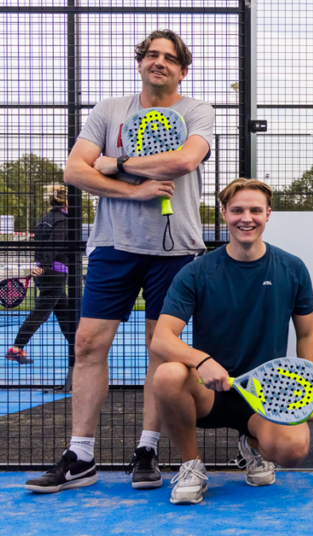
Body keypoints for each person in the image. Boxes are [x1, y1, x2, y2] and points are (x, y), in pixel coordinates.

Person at [25, 29, 214, 493]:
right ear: (141, 63)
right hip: (113, 246)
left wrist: (114, 163)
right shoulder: (110, 110)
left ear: (182, 70)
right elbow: (73, 170)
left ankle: (146, 450)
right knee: (88, 344)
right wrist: (136, 187)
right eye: (152, 55)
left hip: (176, 249)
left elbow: (186, 160)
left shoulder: (196, 111)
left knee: (159, 349)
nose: (160, 62)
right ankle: (81, 455)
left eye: (170, 58)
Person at [148, 178, 313, 505]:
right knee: (168, 374)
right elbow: (162, 338)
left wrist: (307, 393)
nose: (247, 218)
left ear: (268, 214)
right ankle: (191, 467)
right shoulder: (196, 272)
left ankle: (252, 446)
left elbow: (307, 334)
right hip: (208, 392)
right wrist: (201, 360)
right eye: (238, 210)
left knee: (293, 451)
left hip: (264, 395)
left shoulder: (293, 268)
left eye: (255, 210)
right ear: (224, 213)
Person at [6, 185, 76, 366]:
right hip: (53, 272)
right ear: (67, 201)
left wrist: (41, 266)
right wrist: (45, 266)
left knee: (64, 311)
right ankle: (16, 348)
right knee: (40, 313)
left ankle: (76, 347)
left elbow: (41, 245)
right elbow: (55, 244)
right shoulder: (63, 220)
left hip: (45, 271)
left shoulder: (45, 219)